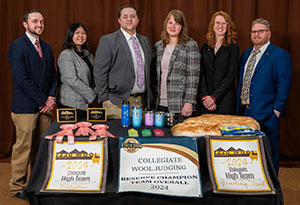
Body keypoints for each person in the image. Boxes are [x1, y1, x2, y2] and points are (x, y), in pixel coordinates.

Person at [8, 10, 58, 200]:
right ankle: (17, 188)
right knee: (24, 148)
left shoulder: (46, 47)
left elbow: (53, 76)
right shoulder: (17, 47)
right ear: (25, 24)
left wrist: (51, 97)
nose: (39, 24)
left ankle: (36, 184)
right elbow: (22, 79)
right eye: (35, 21)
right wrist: (43, 100)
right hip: (25, 107)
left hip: (45, 107)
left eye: (42, 21)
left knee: (41, 147)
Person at [237, 18, 292, 175]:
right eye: (253, 31)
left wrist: (276, 110)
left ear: (269, 34)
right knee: (248, 154)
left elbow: (283, 85)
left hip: (267, 114)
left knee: (269, 154)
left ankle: (272, 188)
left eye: (260, 31)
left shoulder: (280, 55)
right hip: (245, 113)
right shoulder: (246, 54)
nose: (256, 34)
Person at [94, 5, 153, 119]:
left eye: (132, 16)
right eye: (125, 17)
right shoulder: (108, 40)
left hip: (142, 103)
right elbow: (100, 72)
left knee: (138, 136)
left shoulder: (145, 41)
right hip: (116, 103)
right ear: (119, 20)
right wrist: (104, 98)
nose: (129, 19)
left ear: (138, 20)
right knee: (118, 136)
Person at [153, 9, 200, 122]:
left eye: (177, 23)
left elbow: (193, 77)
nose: (173, 26)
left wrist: (189, 101)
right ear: (166, 25)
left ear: (182, 26)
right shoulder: (158, 46)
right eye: (170, 23)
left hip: (180, 104)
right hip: (158, 104)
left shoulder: (190, 45)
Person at [199, 11, 239, 114]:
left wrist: (214, 97)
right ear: (213, 26)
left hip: (225, 100)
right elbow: (202, 73)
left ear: (228, 26)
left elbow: (230, 77)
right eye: (217, 23)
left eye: (224, 23)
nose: (220, 26)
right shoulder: (205, 47)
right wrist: (205, 97)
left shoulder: (233, 48)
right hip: (206, 101)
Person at [56, 23, 98, 119]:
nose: (81, 36)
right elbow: (71, 80)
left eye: (83, 33)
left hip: (87, 104)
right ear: (71, 35)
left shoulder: (88, 54)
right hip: (70, 104)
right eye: (77, 33)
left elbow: (96, 75)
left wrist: (96, 92)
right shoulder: (66, 55)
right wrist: (92, 95)